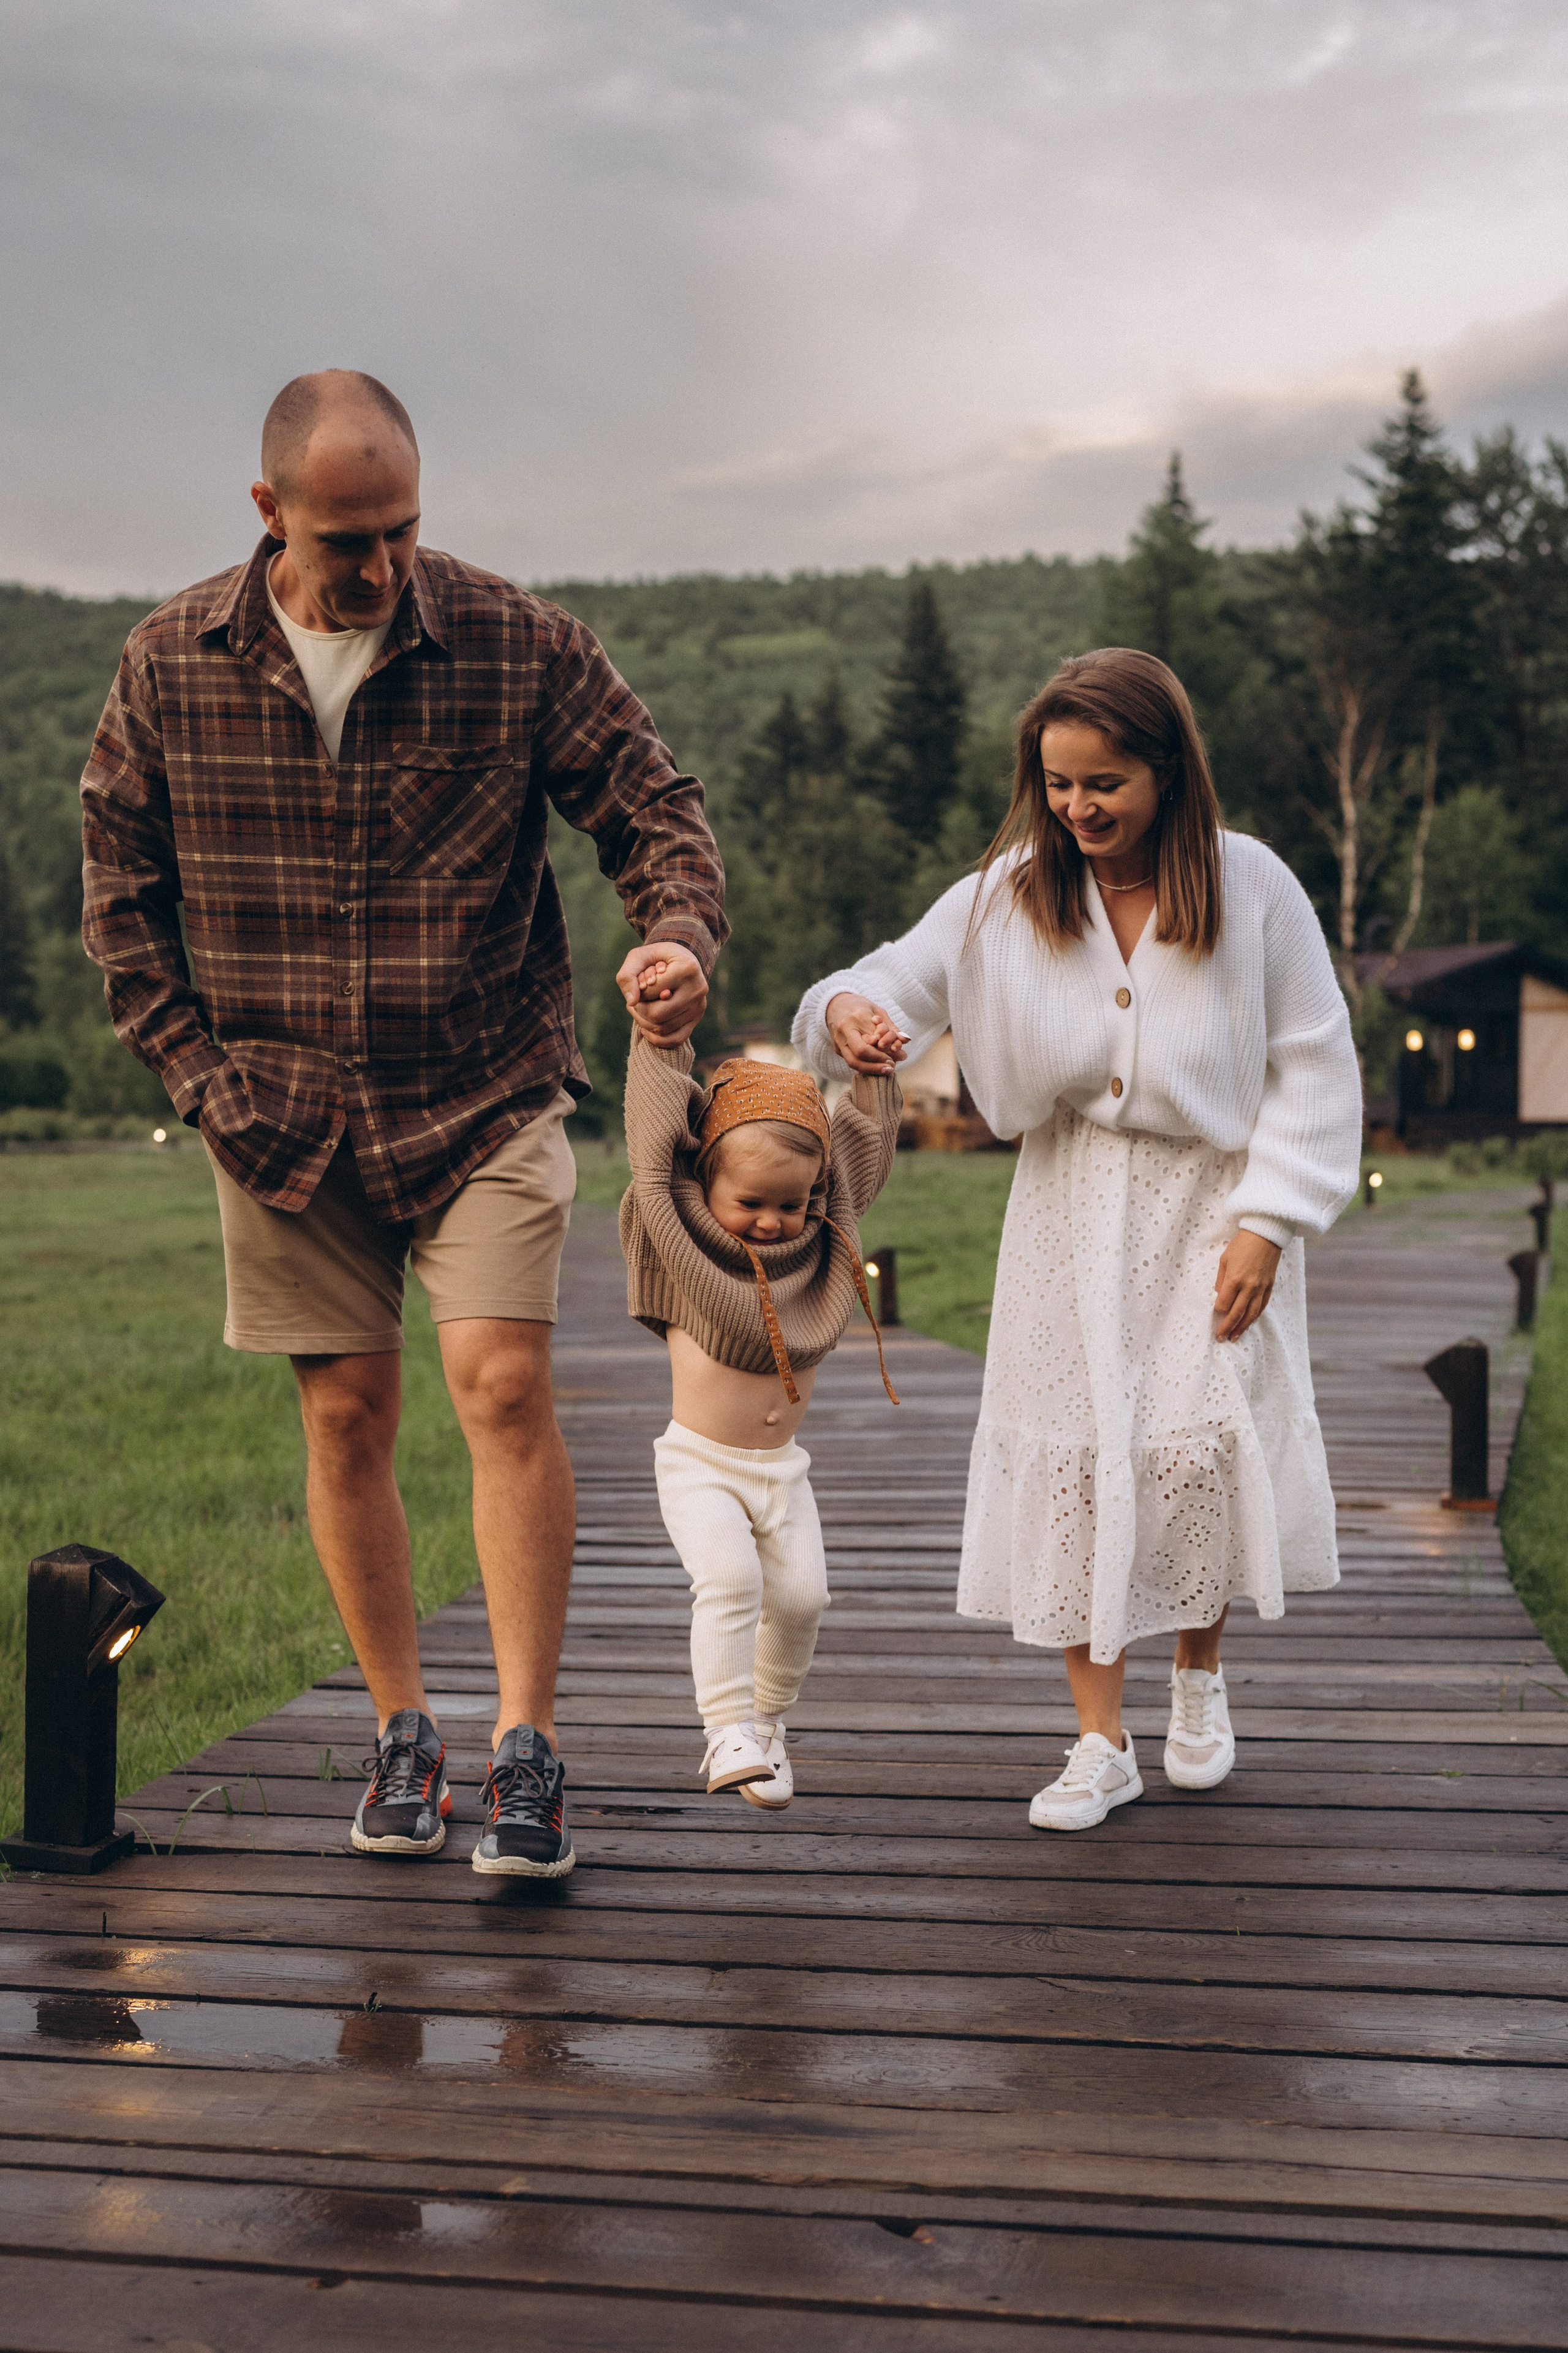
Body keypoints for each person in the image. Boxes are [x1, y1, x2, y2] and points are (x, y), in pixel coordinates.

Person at [80, 369, 725, 1876]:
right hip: (274, 1113)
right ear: (268, 515)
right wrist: (202, 1079)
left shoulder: (513, 640)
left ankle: (526, 1750)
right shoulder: (170, 661)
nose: (378, 567)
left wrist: (677, 934)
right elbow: (120, 902)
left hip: (480, 1085)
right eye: (345, 537)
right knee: (345, 1413)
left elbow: (652, 803)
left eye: (401, 531)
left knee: (499, 1388)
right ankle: (398, 1729)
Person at [793, 648, 1362, 1831]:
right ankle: (1098, 1739)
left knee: (1195, 1437)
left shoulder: (1251, 887)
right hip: (1066, 1206)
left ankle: (1197, 1680)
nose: (1078, 807)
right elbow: (883, 982)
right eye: (1056, 784)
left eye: (1104, 783)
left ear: (1168, 769)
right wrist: (848, 1013)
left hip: (1216, 1202)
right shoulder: (1005, 893)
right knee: (1079, 1450)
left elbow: (1313, 1058)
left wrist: (1272, 1220)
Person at [619, 1000, 902, 1803]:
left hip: (782, 1470)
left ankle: (768, 1722)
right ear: (707, 1182)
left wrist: (874, 1077)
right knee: (733, 1582)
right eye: (752, 1202)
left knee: (806, 1598)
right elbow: (652, 1143)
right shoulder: (680, 1237)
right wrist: (662, 1041)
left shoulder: (820, 1245)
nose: (774, 1222)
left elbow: (860, 1162)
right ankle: (725, 1727)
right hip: (699, 1465)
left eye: (793, 1203)